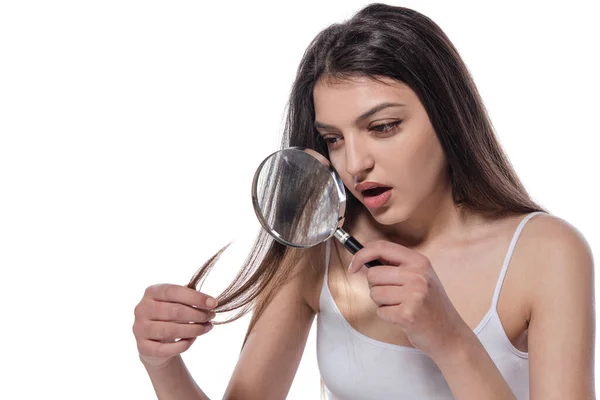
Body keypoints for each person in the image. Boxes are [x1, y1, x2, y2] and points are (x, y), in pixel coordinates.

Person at [132, 3, 595, 399]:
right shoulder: (316, 244)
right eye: (333, 138)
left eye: (383, 127)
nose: (354, 164)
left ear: (447, 118)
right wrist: (161, 363)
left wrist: (448, 337)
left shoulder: (547, 253)